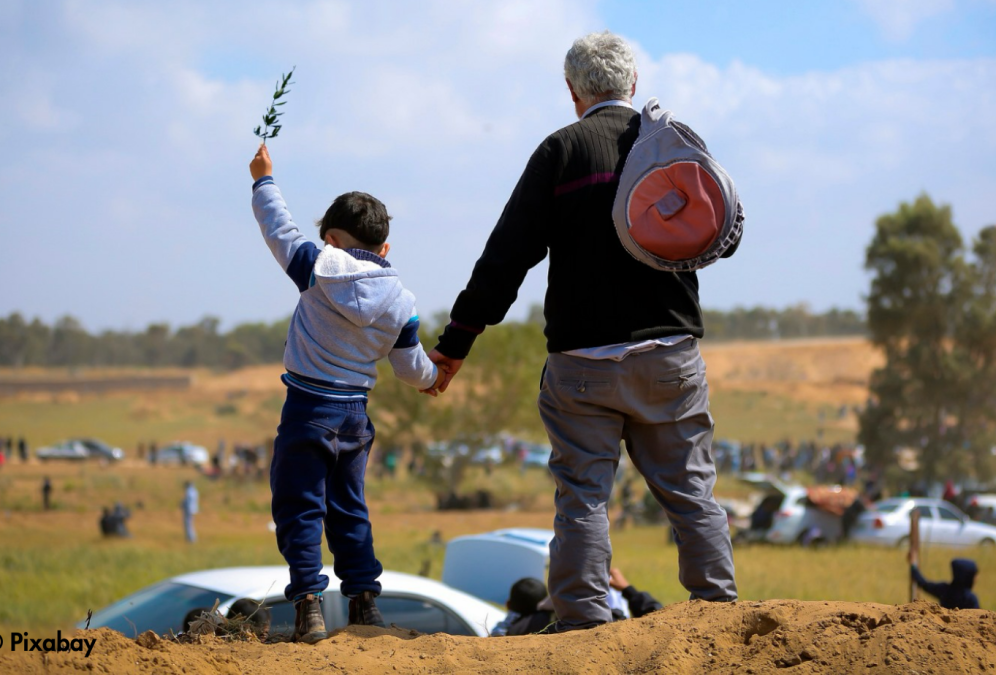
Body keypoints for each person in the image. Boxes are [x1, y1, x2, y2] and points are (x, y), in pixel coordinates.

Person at [428, 31, 739, 632]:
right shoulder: (672, 145)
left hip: (583, 366)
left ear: (572, 91)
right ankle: (719, 615)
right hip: (671, 355)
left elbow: (506, 258)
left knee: (583, 497)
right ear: (634, 84)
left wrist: (456, 343)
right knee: (692, 491)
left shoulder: (561, 152)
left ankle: (581, 629)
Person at [248, 143, 444, 644]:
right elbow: (410, 368)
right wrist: (433, 380)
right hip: (355, 416)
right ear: (384, 250)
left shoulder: (316, 267)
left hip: (308, 409)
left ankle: (310, 607)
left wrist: (264, 179)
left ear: (332, 238)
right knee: (349, 508)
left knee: (300, 508)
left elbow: (277, 228)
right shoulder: (400, 301)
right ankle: (364, 605)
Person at [910, 558, 979, 610]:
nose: (976, 579)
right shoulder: (970, 598)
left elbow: (924, 584)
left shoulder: (944, 590)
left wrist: (913, 565)